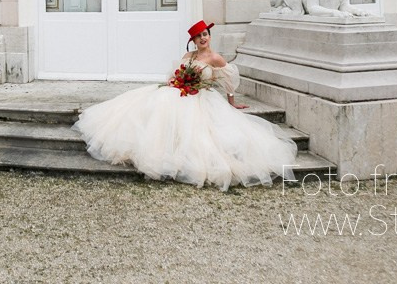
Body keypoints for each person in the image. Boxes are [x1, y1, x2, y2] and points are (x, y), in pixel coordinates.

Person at [73, 20, 298, 190]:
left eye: (205, 34)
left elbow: (229, 79)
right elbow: (174, 75)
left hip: (201, 97)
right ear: (193, 40)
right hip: (180, 91)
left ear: (209, 36)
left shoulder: (216, 58)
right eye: (199, 36)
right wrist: (174, 82)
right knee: (153, 105)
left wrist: (232, 102)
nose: (203, 38)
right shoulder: (188, 55)